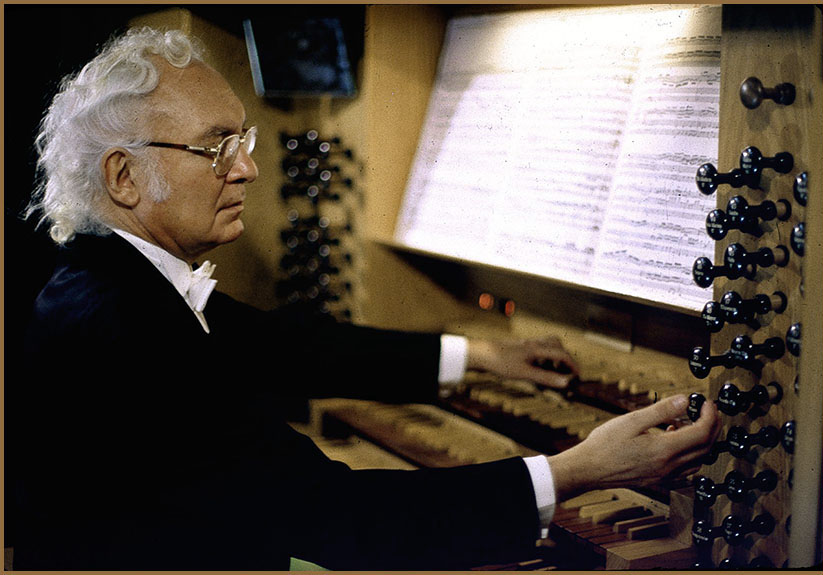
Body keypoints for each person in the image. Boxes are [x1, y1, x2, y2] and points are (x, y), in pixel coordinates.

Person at [12, 26, 721, 570]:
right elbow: (335, 515)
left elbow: (286, 345)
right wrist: (576, 469)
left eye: (242, 139)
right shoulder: (124, 329)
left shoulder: (108, 279)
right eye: (216, 146)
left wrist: (477, 353)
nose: (249, 167)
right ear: (124, 176)